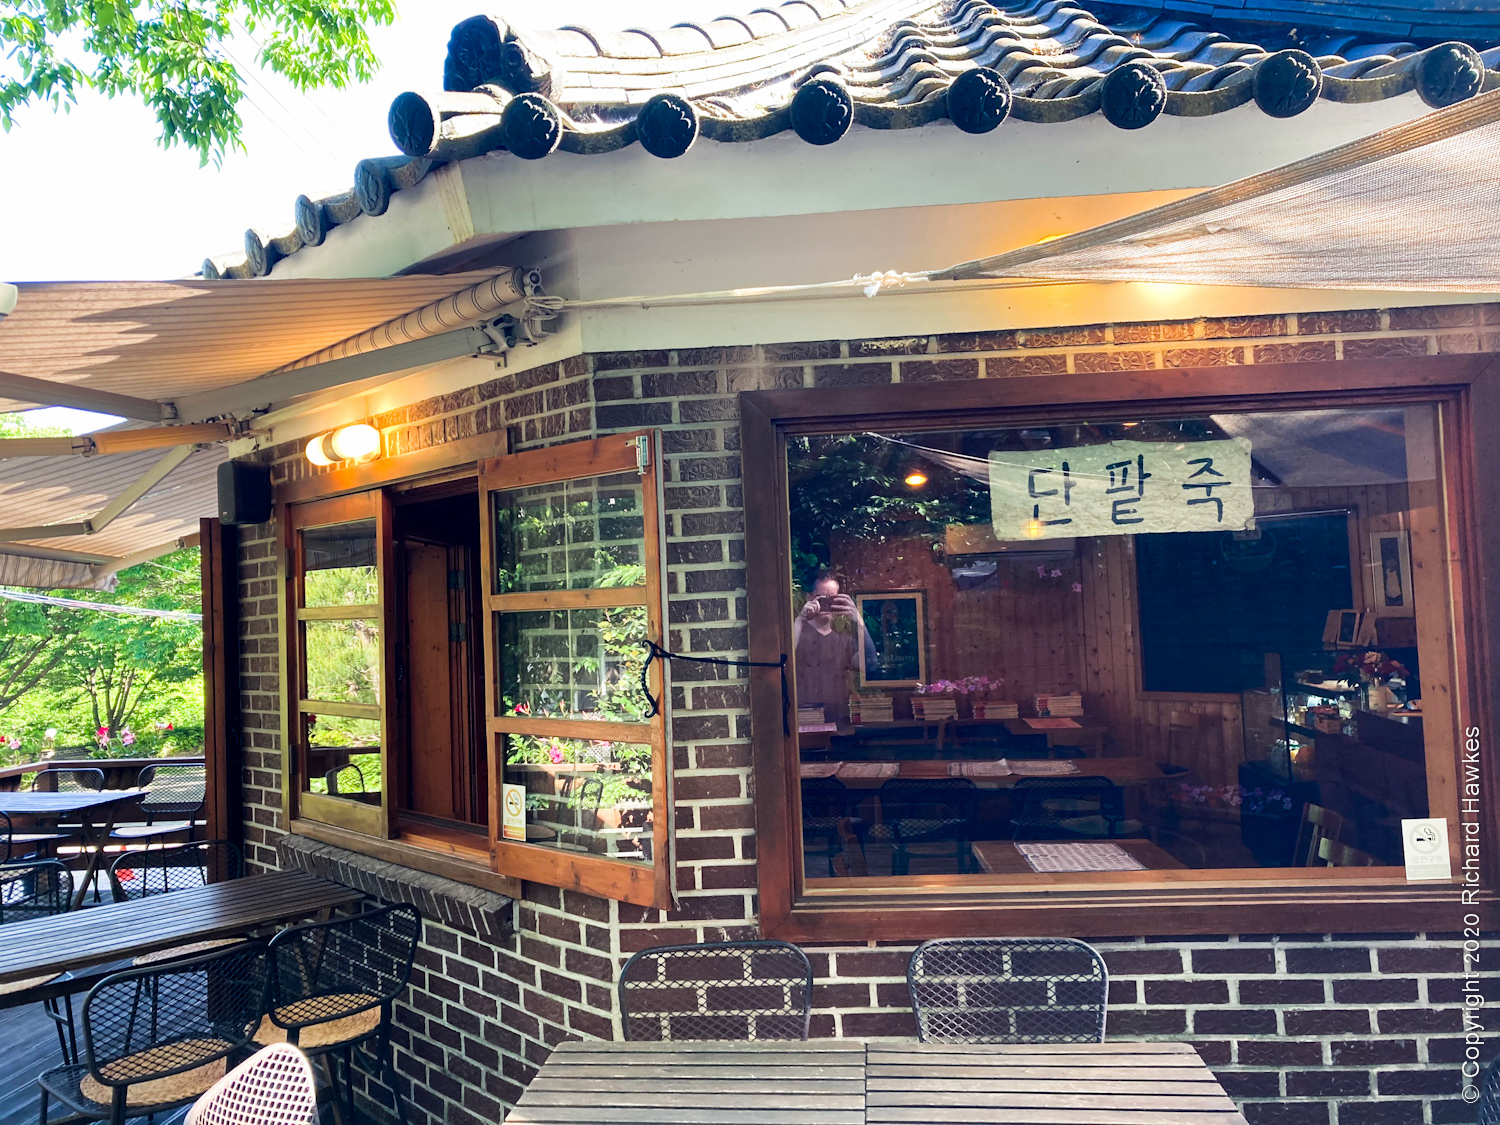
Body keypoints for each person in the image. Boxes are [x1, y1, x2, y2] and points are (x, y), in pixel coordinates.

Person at [793, 571, 876, 727]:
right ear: (809, 598)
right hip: (803, 724)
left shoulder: (844, 640)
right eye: (822, 598)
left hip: (839, 723)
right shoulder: (796, 633)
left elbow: (870, 665)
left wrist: (858, 620)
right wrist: (800, 620)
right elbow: (784, 661)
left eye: (832, 599)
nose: (827, 604)